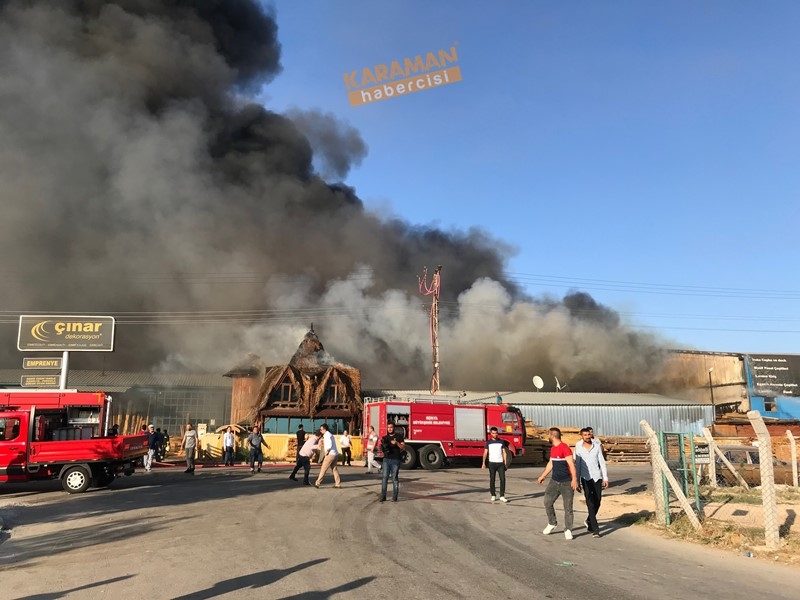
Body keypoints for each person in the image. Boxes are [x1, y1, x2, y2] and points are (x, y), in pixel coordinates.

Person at [537, 427, 579, 540]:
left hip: (567, 483)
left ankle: (568, 529)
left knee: (568, 508)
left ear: (552, 436)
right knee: (547, 502)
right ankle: (552, 523)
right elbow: (551, 463)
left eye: (549, 435)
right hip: (554, 482)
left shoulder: (564, 448)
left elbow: (571, 465)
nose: (548, 436)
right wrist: (543, 475)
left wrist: (574, 479)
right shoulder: (553, 448)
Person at [575, 427, 609, 538]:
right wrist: (577, 480)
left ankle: (589, 520)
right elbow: (578, 465)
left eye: (589, 435)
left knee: (598, 501)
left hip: (596, 477)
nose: (587, 437)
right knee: (590, 503)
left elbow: (602, 462)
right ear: (582, 436)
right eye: (585, 435)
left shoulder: (597, 446)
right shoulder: (578, 447)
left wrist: (605, 478)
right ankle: (596, 529)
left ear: (591, 435)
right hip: (585, 478)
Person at [482, 426, 508, 502]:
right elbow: (485, 453)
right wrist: (483, 463)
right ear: (491, 433)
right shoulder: (488, 442)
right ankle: (493, 495)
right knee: (492, 479)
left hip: (500, 463)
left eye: (496, 433)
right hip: (492, 463)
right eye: (493, 433)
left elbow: (504, 452)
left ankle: (502, 496)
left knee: (502, 479)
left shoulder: (501, 442)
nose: (495, 435)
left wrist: (505, 463)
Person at [380, 422, 405, 502]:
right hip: (386, 460)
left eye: (391, 427)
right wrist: (383, 446)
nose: (390, 429)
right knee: (384, 477)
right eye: (388, 427)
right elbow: (382, 448)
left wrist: (397, 443)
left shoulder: (399, 437)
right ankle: (383, 496)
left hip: (395, 460)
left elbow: (403, 447)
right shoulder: (385, 438)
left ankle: (395, 496)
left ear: (394, 428)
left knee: (394, 478)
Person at [315, 423, 341, 488]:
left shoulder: (326, 435)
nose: (320, 431)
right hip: (335, 454)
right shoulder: (330, 434)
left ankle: (318, 482)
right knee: (334, 469)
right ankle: (338, 483)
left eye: (321, 430)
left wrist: (327, 451)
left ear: (324, 429)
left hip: (330, 454)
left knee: (323, 468)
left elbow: (329, 444)